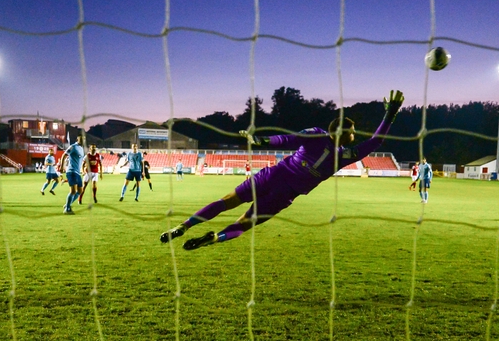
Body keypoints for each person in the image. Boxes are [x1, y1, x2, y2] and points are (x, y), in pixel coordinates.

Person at [160, 89, 405, 250]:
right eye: (352, 132)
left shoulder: (317, 135)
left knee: (227, 201)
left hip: (272, 176)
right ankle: (215, 238)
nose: (354, 135)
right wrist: (390, 115)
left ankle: (183, 226)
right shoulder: (344, 155)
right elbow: (375, 142)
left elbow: (288, 139)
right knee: (245, 223)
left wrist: (262, 141)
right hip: (285, 194)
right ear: (342, 133)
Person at [62, 137, 85, 214]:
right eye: (81, 139)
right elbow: (64, 155)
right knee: (73, 191)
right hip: (71, 171)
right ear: (77, 139)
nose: (83, 141)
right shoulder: (73, 147)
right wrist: (62, 167)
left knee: (80, 191)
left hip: (77, 172)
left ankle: (67, 205)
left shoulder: (81, 149)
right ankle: (67, 209)